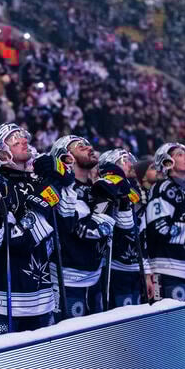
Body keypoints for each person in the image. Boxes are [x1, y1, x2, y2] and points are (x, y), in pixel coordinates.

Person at [0, 123, 70, 337]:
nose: (23, 140)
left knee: (44, 368)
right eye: (14, 139)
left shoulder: (40, 182)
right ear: (0, 152)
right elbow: (16, 240)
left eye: (22, 136)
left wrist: (60, 176)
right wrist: (43, 201)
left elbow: (66, 221)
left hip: (42, 299)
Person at [49, 135, 114, 318]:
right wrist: (105, 202)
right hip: (68, 280)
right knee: (71, 342)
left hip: (95, 277)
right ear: (65, 157)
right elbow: (85, 229)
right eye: (80, 146)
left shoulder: (95, 187)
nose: (88, 147)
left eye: (87, 144)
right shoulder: (63, 190)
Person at [145, 142, 185, 301]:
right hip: (167, 268)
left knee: (183, 323)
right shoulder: (162, 188)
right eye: (179, 155)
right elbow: (159, 228)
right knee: (169, 323)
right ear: (168, 162)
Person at [97, 149, 149, 307]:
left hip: (136, 265)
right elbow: (100, 217)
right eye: (123, 161)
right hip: (116, 265)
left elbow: (141, 232)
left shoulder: (135, 189)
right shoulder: (105, 188)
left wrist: (146, 270)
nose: (130, 164)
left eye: (129, 160)